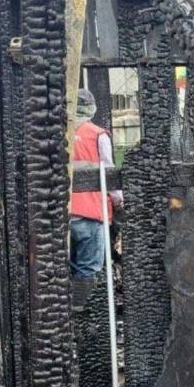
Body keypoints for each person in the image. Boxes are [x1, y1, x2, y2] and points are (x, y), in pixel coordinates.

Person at [68, 88, 122, 311]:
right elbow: (108, 173)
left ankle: (67, 309)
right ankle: (82, 310)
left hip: (63, 213)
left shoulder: (59, 133)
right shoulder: (98, 135)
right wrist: (119, 200)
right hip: (90, 213)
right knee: (89, 268)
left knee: (67, 267)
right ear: (91, 108)